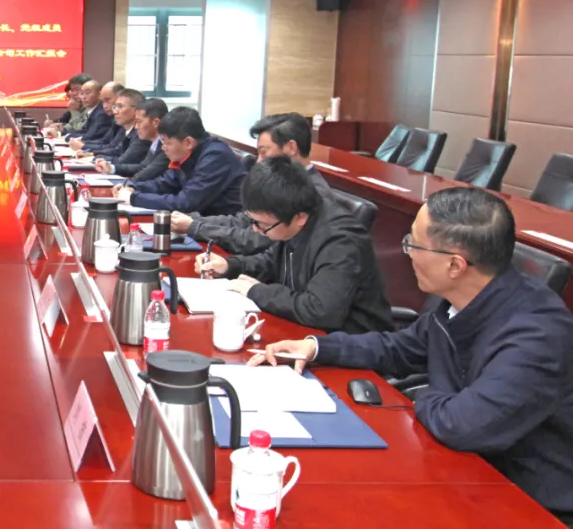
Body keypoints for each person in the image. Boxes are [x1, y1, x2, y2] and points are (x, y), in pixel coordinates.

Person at [250, 187, 573, 524]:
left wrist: (423, 398)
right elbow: (401, 347)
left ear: (455, 264)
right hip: (466, 470)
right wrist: (318, 347)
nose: (408, 254)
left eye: (414, 244)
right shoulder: (464, 302)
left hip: (530, 501)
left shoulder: (537, 334)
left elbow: (462, 425)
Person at [195, 156, 392, 333]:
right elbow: (271, 261)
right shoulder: (294, 219)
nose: (256, 229)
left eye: (262, 225)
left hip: (350, 345)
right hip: (303, 331)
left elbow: (320, 310)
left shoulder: (341, 241)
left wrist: (257, 291)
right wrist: (230, 266)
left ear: (300, 218)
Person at [174, 113, 329, 254]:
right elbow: (242, 220)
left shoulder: (315, 195)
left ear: (291, 148)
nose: (259, 160)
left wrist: (195, 227)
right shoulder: (279, 182)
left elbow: (253, 240)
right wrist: (192, 220)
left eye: (264, 152)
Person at [115, 107, 245, 215]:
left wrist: (134, 198)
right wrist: (133, 187)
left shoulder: (215, 157)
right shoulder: (189, 152)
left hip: (222, 226)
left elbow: (186, 203)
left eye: (167, 143)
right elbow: (165, 182)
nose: (163, 148)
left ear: (188, 142)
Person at [109, 98, 169, 181]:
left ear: (155, 122)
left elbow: (146, 174)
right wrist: (112, 168)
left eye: (139, 121)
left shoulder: (167, 146)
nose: (136, 127)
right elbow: (142, 167)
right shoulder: (155, 142)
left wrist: (127, 184)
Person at [90, 88, 148, 167]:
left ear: (136, 110)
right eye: (115, 106)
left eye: (120, 106)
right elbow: (116, 151)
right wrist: (91, 154)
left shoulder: (140, 133)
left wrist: (95, 157)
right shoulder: (127, 129)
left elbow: (124, 160)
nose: (115, 111)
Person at [68, 81, 120, 147]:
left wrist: (83, 146)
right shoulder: (115, 119)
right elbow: (105, 141)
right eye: (82, 93)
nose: (104, 106)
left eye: (107, 100)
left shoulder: (103, 114)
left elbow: (114, 148)